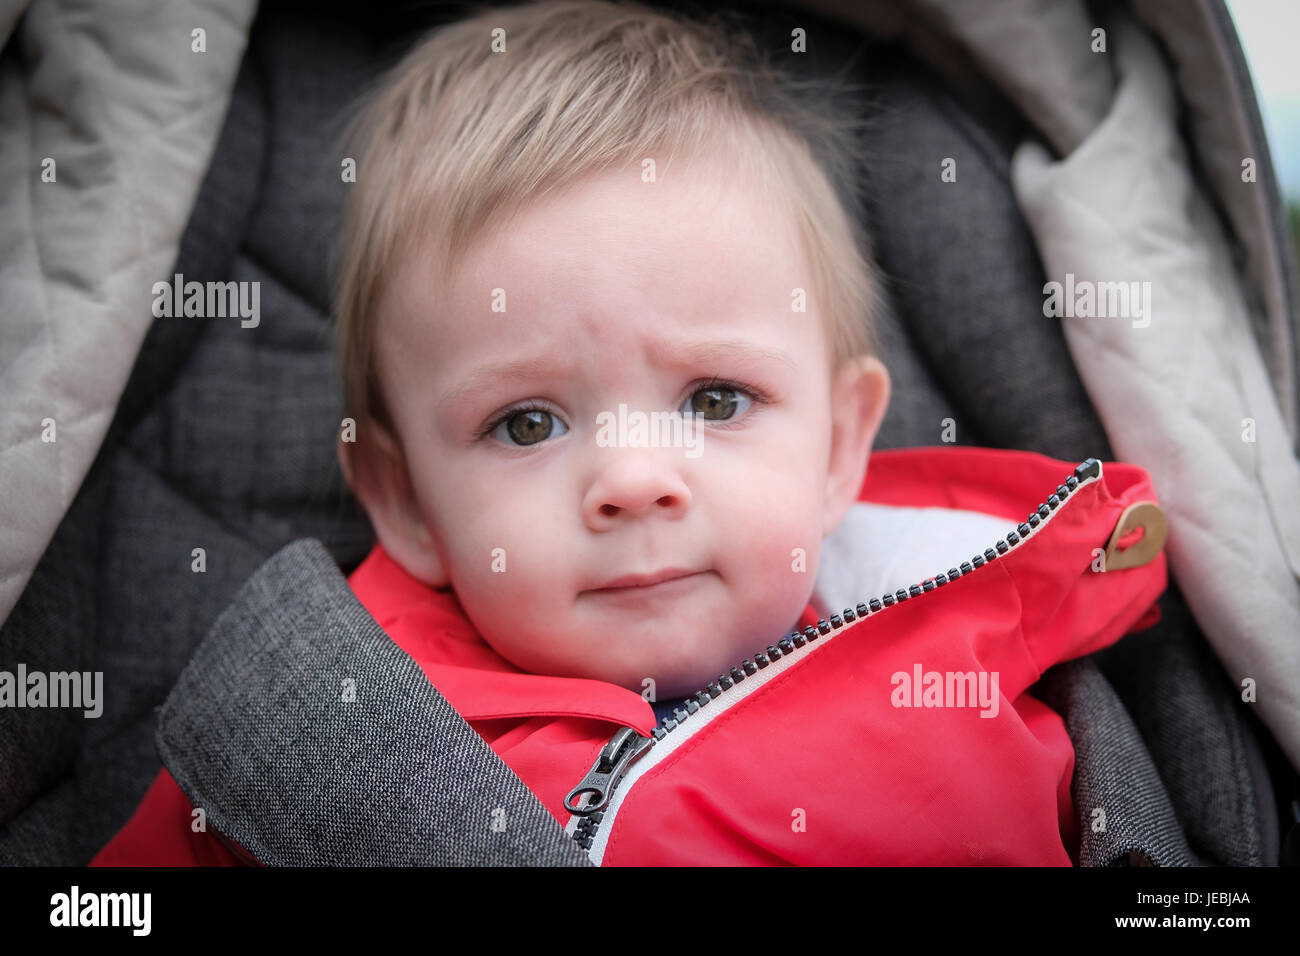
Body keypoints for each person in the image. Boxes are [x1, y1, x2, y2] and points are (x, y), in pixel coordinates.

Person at [91, 0, 1166, 866]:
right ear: (407, 498)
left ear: (841, 447)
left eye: (714, 399)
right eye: (526, 422)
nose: (635, 480)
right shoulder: (308, 725)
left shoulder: (985, 669)